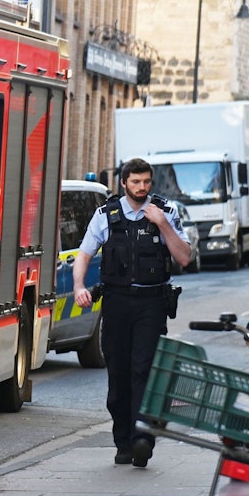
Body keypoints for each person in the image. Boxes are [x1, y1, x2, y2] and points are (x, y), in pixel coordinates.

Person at [73, 157, 193, 468]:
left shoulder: (166, 212)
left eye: (146, 182)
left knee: (144, 370)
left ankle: (142, 439)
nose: (142, 187)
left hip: (151, 303)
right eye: (136, 182)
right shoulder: (106, 215)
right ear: (124, 183)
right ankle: (123, 442)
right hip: (116, 303)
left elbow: (184, 258)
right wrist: (79, 286)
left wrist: (163, 224)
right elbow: (84, 254)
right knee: (119, 373)